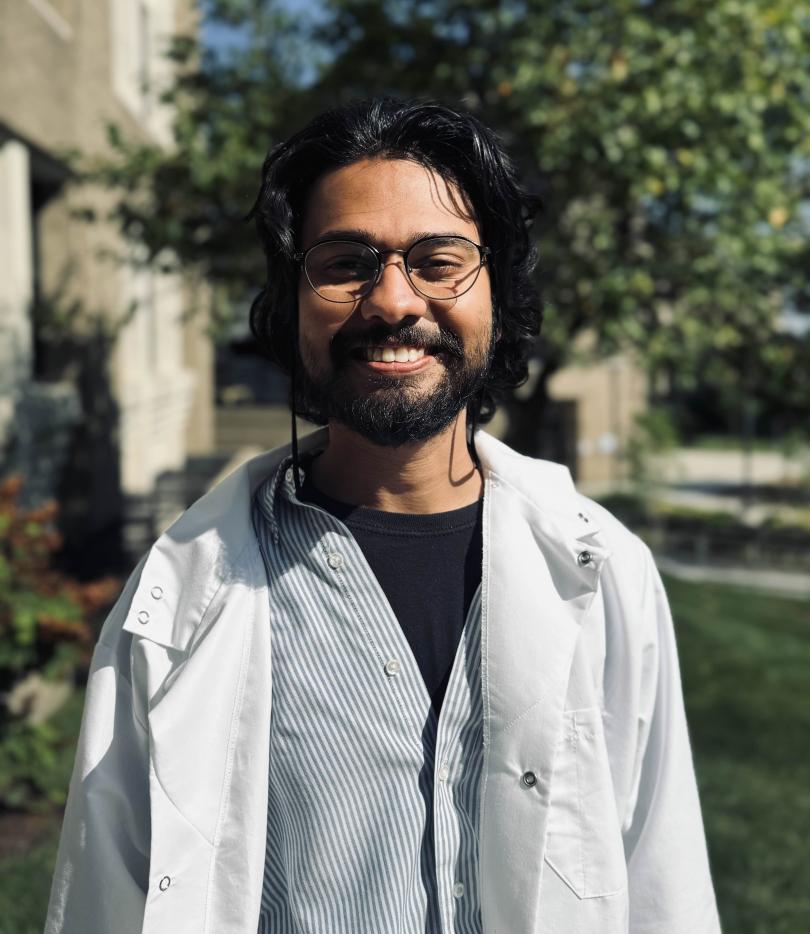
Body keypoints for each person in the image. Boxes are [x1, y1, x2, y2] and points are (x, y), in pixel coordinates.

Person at [45, 98, 721, 934]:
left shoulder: (604, 572)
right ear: (290, 301)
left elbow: (665, 884)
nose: (393, 300)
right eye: (345, 261)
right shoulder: (180, 594)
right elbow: (103, 903)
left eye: (440, 261)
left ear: (498, 298)